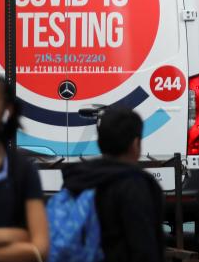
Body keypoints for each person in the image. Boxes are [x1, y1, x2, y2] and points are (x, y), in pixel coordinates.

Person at [60, 108, 164, 262]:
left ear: (100, 143)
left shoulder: (76, 180)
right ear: (135, 144)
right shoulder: (135, 184)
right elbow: (144, 247)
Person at [0, 70, 49, 262]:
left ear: (6, 110)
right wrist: (14, 236)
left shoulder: (23, 169)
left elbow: (39, 250)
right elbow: (28, 244)